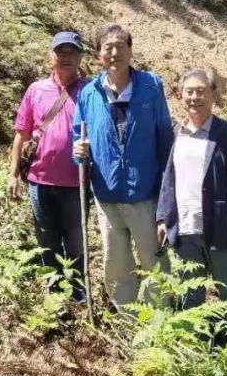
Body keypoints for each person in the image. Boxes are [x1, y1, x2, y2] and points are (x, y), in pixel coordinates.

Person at [72, 25, 174, 306]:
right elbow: (77, 138)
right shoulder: (89, 92)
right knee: (115, 263)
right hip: (107, 197)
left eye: (121, 46)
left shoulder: (151, 87)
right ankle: (126, 320)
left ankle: (160, 319)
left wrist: (169, 192)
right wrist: (78, 152)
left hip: (145, 195)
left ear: (130, 51)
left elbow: (165, 137)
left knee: (154, 261)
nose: (115, 52)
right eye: (108, 47)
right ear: (98, 55)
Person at [156, 68, 227, 309]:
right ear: (180, 96)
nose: (195, 97)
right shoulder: (175, 133)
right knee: (190, 293)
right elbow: (167, 178)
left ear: (213, 95)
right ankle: (193, 344)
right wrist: (162, 217)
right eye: (189, 92)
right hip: (184, 227)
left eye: (201, 91)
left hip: (219, 226)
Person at [8, 31, 88, 302]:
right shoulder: (36, 90)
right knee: (46, 237)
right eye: (60, 52)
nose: (65, 57)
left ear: (80, 57)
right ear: (50, 56)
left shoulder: (90, 91)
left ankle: (78, 289)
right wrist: (13, 174)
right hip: (40, 180)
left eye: (72, 52)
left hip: (76, 182)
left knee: (76, 239)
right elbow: (22, 134)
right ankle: (53, 289)